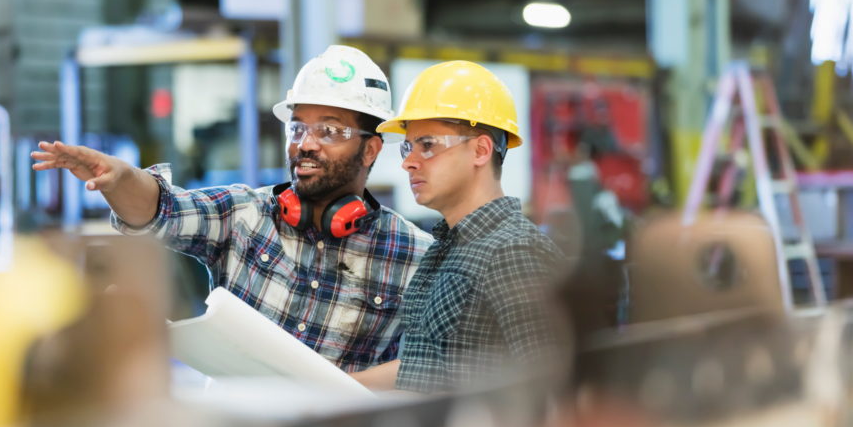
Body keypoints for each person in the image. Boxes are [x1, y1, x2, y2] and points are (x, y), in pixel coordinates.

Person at [31, 45, 432, 372]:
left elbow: (423, 372)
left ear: (372, 148)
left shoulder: (414, 256)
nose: (306, 144)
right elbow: (161, 209)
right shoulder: (245, 214)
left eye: (328, 130)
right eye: (297, 128)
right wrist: (119, 178)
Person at [350, 61, 570, 393]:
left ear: (480, 150)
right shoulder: (445, 249)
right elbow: (423, 367)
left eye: (428, 145)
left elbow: (557, 385)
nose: (408, 161)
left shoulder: (514, 252)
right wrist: (328, 386)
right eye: (409, 146)